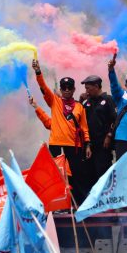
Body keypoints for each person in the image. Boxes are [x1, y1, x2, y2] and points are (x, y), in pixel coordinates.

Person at [32, 59, 92, 205]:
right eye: (64, 87)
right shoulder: (55, 102)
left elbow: (84, 128)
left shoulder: (79, 107)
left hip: (74, 146)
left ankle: (77, 203)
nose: (66, 90)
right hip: (56, 145)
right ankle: (59, 204)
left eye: (69, 88)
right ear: (61, 88)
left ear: (73, 90)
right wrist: (38, 72)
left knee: (76, 176)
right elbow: (44, 88)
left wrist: (88, 145)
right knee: (58, 175)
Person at [81, 75, 116, 180]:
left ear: (96, 86)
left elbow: (115, 119)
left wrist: (109, 135)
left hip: (103, 145)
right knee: (91, 174)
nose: (86, 91)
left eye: (88, 88)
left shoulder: (108, 99)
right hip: (90, 145)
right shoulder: (87, 102)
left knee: (103, 172)